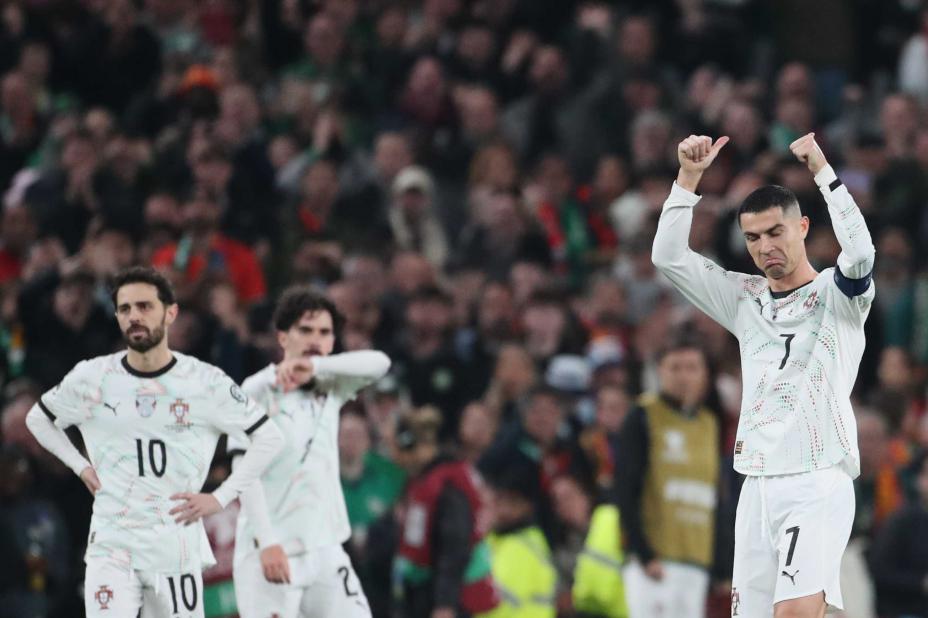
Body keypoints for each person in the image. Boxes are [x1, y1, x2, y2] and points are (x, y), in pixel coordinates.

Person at [651, 132, 875, 617]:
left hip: (817, 476)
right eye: (753, 238)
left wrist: (822, 171)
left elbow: (860, 253)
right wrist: (688, 178)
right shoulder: (744, 298)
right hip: (755, 482)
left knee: (793, 613)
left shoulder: (839, 297)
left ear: (802, 227)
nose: (765, 247)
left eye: (776, 232)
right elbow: (668, 257)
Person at [23, 266, 285, 617]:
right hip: (112, 546)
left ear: (170, 313)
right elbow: (38, 419)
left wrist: (220, 498)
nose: (134, 316)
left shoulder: (204, 381)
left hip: (175, 547)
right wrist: (80, 466)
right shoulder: (93, 376)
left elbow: (269, 437)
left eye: (144, 306)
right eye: (125, 309)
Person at [228, 286, 391, 618]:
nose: (316, 339)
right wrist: (267, 542)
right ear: (283, 337)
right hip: (271, 550)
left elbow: (380, 363)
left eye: (324, 332)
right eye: (305, 330)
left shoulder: (331, 384)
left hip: (325, 549)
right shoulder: (257, 389)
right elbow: (243, 472)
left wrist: (316, 368)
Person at [615, 336, 720, 618]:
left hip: (697, 562)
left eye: (692, 368)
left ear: (705, 375)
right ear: (659, 371)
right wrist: (643, 553)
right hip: (655, 562)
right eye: (675, 367)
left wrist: (720, 564)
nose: (684, 376)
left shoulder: (710, 424)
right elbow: (625, 488)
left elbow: (717, 498)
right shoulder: (643, 416)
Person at [393, 406, 500, 618]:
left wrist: (445, 604)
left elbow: (455, 546)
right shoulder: (425, 479)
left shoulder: (448, 486)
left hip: (448, 598)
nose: (401, 460)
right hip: (427, 592)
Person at [869, 451, 928, 618]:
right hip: (905, 609)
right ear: (919, 480)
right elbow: (879, 570)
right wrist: (921, 582)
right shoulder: (903, 520)